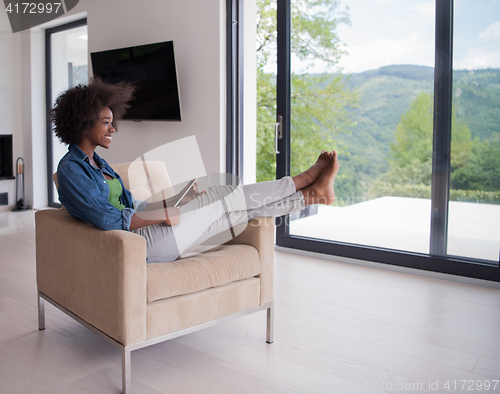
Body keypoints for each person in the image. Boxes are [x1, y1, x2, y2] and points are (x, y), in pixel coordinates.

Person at [52, 78, 339, 263]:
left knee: (238, 214)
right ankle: (303, 179)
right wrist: (161, 214)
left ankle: (310, 197)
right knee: (221, 194)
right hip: (136, 247)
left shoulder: (101, 165)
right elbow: (108, 219)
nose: (113, 128)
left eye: (112, 121)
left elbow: (132, 205)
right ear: (83, 122)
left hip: (148, 236)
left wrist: (178, 202)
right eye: (105, 122)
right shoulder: (70, 170)